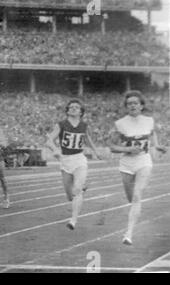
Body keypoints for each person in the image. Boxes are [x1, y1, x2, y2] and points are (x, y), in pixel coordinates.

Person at [108, 91, 166, 245]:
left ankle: (129, 233)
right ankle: (131, 223)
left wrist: (157, 145)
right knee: (130, 198)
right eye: (129, 103)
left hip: (144, 161)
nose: (132, 105)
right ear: (126, 107)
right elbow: (112, 146)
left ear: (141, 105)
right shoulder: (120, 124)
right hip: (126, 164)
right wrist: (128, 150)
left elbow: (152, 134)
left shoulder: (149, 121)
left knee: (137, 196)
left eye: (135, 103)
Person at [46, 99, 101, 230]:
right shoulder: (61, 125)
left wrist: (96, 151)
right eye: (71, 107)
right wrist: (55, 150)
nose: (74, 108)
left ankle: (73, 220)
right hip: (65, 160)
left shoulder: (84, 125)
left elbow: (87, 139)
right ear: (67, 110)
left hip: (79, 159)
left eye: (77, 107)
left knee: (76, 191)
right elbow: (49, 141)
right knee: (70, 196)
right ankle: (80, 190)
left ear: (81, 112)